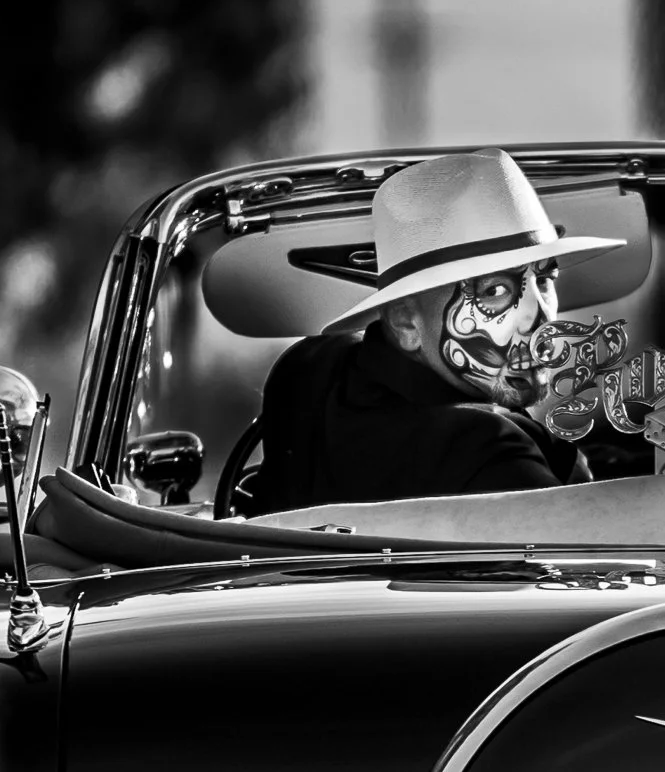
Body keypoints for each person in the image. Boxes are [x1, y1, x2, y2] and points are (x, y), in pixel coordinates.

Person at [252, 149, 623, 508]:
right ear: (405, 322)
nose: (541, 320)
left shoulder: (308, 368)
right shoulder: (491, 451)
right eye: (494, 291)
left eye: (545, 279)